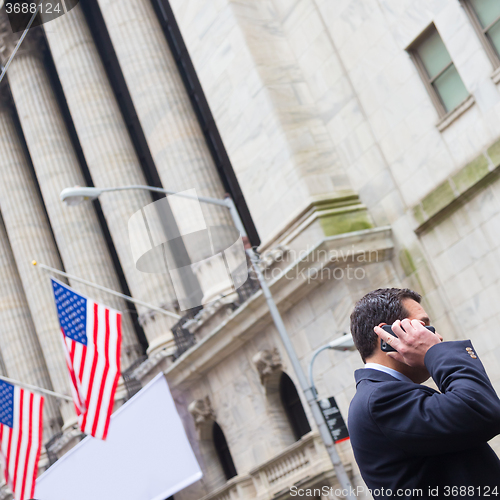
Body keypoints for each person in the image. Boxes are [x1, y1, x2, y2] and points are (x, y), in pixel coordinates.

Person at [348, 288, 500, 499]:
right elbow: (479, 409)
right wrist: (435, 353)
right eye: (425, 326)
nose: (437, 336)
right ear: (388, 335)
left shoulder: (390, 393)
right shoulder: (380, 400)